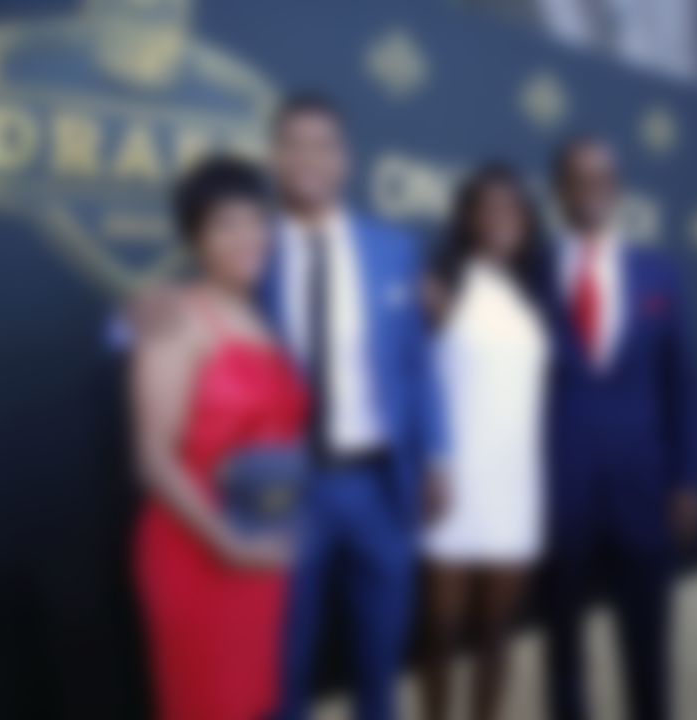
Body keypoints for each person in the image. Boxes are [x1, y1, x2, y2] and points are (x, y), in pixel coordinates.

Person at [264, 94, 448, 720]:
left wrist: (439, 456)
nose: (311, 156)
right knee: (282, 667)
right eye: (296, 142)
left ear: (347, 160)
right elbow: (189, 317)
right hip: (285, 490)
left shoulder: (394, 249)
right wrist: (132, 324)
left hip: (378, 486)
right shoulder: (249, 251)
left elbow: (419, 366)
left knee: (380, 662)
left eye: (325, 144)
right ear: (274, 156)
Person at [132, 158, 307, 720]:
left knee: (254, 701)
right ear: (194, 237)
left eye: (258, 221)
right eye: (226, 224)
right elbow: (153, 459)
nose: (247, 237)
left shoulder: (267, 320)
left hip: (264, 553)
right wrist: (223, 542)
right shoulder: (176, 320)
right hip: (198, 551)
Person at [540, 137, 697, 720]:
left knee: (648, 641)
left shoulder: (658, 272)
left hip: (645, 491)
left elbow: (682, 385)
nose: (593, 187)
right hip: (560, 495)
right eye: (579, 177)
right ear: (559, 190)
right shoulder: (531, 272)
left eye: (604, 176)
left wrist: (689, 477)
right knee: (562, 647)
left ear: (619, 188)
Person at [418, 164, 552, 720]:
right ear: (468, 217)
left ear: (526, 219)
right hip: (450, 483)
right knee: (441, 632)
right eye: (489, 205)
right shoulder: (436, 288)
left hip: (515, 488)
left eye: (513, 206)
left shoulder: (539, 295)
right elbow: (408, 381)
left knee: (497, 632)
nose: (502, 216)